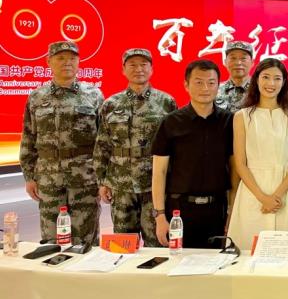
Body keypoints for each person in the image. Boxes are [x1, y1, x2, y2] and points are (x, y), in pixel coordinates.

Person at [20, 41, 104, 245]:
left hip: (85, 176)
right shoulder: (37, 97)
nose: (67, 62)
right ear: (48, 62)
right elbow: (29, 137)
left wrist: (103, 178)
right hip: (49, 177)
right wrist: (29, 177)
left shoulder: (94, 95)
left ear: (78, 62)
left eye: (72, 58)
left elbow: (103, 141)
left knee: (86, 239)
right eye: (60, 58)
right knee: (52, 237)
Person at [94, 48, 176, 247]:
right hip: (121, 184)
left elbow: (175, 146)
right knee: (123, 244)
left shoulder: (166, 102)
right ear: (123, 70)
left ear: (151, 69)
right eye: (132, 65)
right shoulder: (111, 104)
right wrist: (102, 181)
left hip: (154, 186)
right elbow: (102, 144)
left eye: (143, 64)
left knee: (158, 243)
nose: (138, 69)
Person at [151, 59, 233, 249]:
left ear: (218, 86)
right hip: (179, 211)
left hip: (217, 211)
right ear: (186, 85)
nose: (205, 88)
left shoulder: (228, 121)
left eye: (211, 83)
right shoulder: (171, 122)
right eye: (198, 82)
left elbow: (234, 170)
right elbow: (159, 172)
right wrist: (160, 216)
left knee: (217, 264)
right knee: (178, 263)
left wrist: (231, 214)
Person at [227, 58, 288, 250]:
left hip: (286, 192)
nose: (271, 83)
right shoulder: (242, 116)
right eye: (266, 77)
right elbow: (240, 163)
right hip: (252, 192)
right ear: (256, 79)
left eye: (277, 78)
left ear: (284, 82)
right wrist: (263, 197)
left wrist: (276, 196)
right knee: (249, 252)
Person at [215, 41, 254, 111]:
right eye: (233, 58)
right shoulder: (214, 90)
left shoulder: (260, 90)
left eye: (243, 58)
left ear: (252, 62)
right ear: (225, 62)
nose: (238, 63)